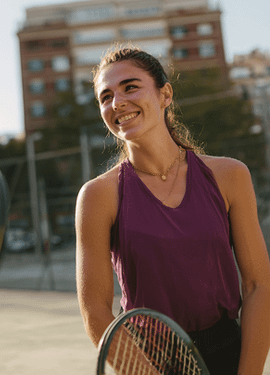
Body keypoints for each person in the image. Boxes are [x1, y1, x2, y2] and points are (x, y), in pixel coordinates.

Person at [75, 47, 270, 374]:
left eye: (130, 87)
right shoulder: (97, 196)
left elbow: (258, 286)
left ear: (165, 94)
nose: (117, 102)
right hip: (147, 361)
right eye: (105, 97)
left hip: (228, 354)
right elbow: (94, 310)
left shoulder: (230, 176)